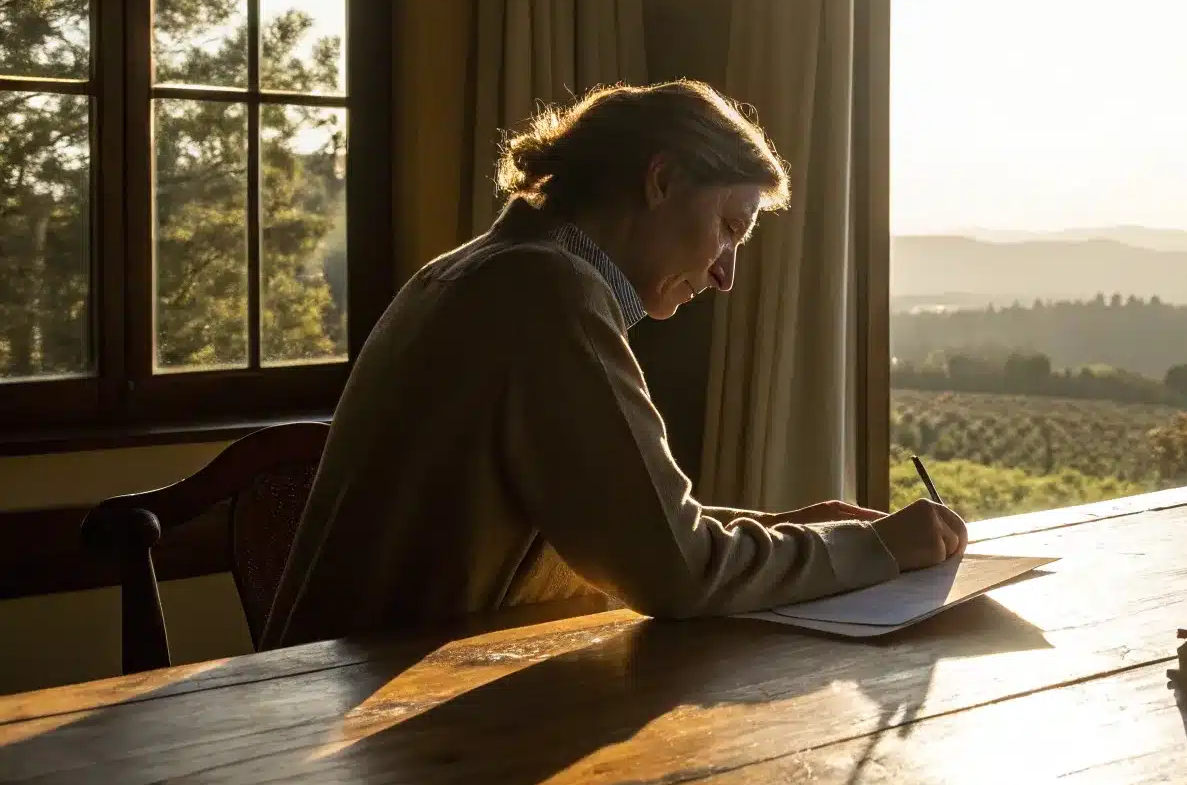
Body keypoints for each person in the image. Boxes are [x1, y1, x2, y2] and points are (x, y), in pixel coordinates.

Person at [262, 80, 966, 648]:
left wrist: (796, 534)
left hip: (341, 699)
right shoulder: (547, 293)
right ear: (661, 180)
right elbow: (675, 572)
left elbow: (615, 525)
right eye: (729, 228)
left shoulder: (476, 271)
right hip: (374, 737)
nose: (726, 276)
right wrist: (874, 549)